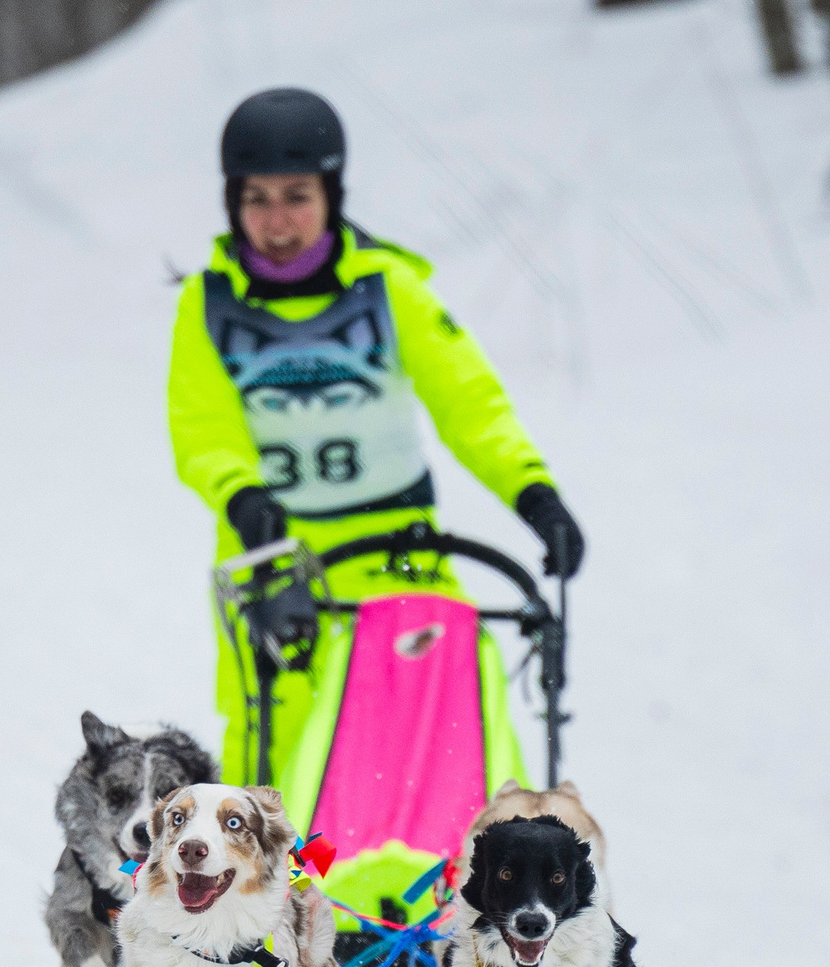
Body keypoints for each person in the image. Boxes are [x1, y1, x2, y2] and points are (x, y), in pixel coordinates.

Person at [166, 87, 584, 785]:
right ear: (232, 204)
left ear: (331, 194)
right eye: (256, 199)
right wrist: (244, 499)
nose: (277, 221)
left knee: (449, 745)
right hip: (276, 558)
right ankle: (289, 889)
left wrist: (534, 495)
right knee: (285, 765)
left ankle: (462, 880)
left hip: (403, 554)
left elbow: (470, 404)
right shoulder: (206, 306)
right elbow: (203, 429)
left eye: (296, 196)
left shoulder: (390, 289)